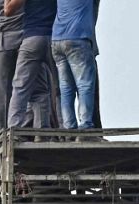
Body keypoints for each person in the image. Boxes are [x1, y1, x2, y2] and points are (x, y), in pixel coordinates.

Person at [5, 0, 57, 128]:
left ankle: (14, 129)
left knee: (20, 88)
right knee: (59, 88)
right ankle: (58, 130)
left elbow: (8, 10)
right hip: (55, 38)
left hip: (32, 38)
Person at [51, 0, 99, 129]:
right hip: (78, 38)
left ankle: (69, 128)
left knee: (66, 88)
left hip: (57, 40)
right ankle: (85, 125)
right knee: (85, 85)